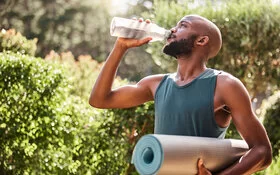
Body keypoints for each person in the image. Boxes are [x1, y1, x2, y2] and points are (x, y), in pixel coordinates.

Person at [89, 15, 272, 174]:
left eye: (182, 25)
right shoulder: (156, 84)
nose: (172, 29)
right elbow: (99, 100)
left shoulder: (225, 85)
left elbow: (262, 151)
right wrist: (120, 47)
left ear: (201, 40)